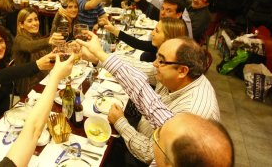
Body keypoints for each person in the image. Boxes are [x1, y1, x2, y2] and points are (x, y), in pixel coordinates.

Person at [77, 32, 233, 167]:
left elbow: (149, 153)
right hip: (141, 130)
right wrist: (99, 57)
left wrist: (120, 123)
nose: (154, 63)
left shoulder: (191, 115)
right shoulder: (177, 76)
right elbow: (147, 99)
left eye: (161, 60)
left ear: (182, 70)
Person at [13, 7, 64, 95]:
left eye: (36, 19)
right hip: (29, 85)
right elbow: (30, 47)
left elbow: (43, 52)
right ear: (21, 24)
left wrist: (54, 52)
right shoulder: (19, 39)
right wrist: (49, 40)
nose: (35, 23)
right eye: (30, 21)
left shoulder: (35, 35)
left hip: (43, 76)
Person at [105, 17, 188, 62]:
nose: (152, 33)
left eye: (157, 31)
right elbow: (137, 43)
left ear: (169, 37)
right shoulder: (158, 46)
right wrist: (113, 30)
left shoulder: (166, 63)